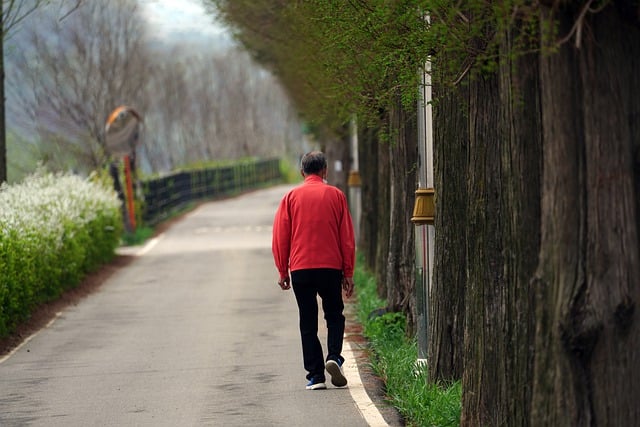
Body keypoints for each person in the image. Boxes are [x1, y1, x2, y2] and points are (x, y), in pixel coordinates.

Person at [272, 151, 356, 390]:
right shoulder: (336, 196)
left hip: (301, 268)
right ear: (325, 171)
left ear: (302, 172)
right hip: (330, 267)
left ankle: (315, 376)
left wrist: (282, 269)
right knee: (334, 314)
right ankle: (334, 357)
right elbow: (347, 238)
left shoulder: (290, 197)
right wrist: (348, 272)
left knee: (307, 321)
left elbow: (281, 235)